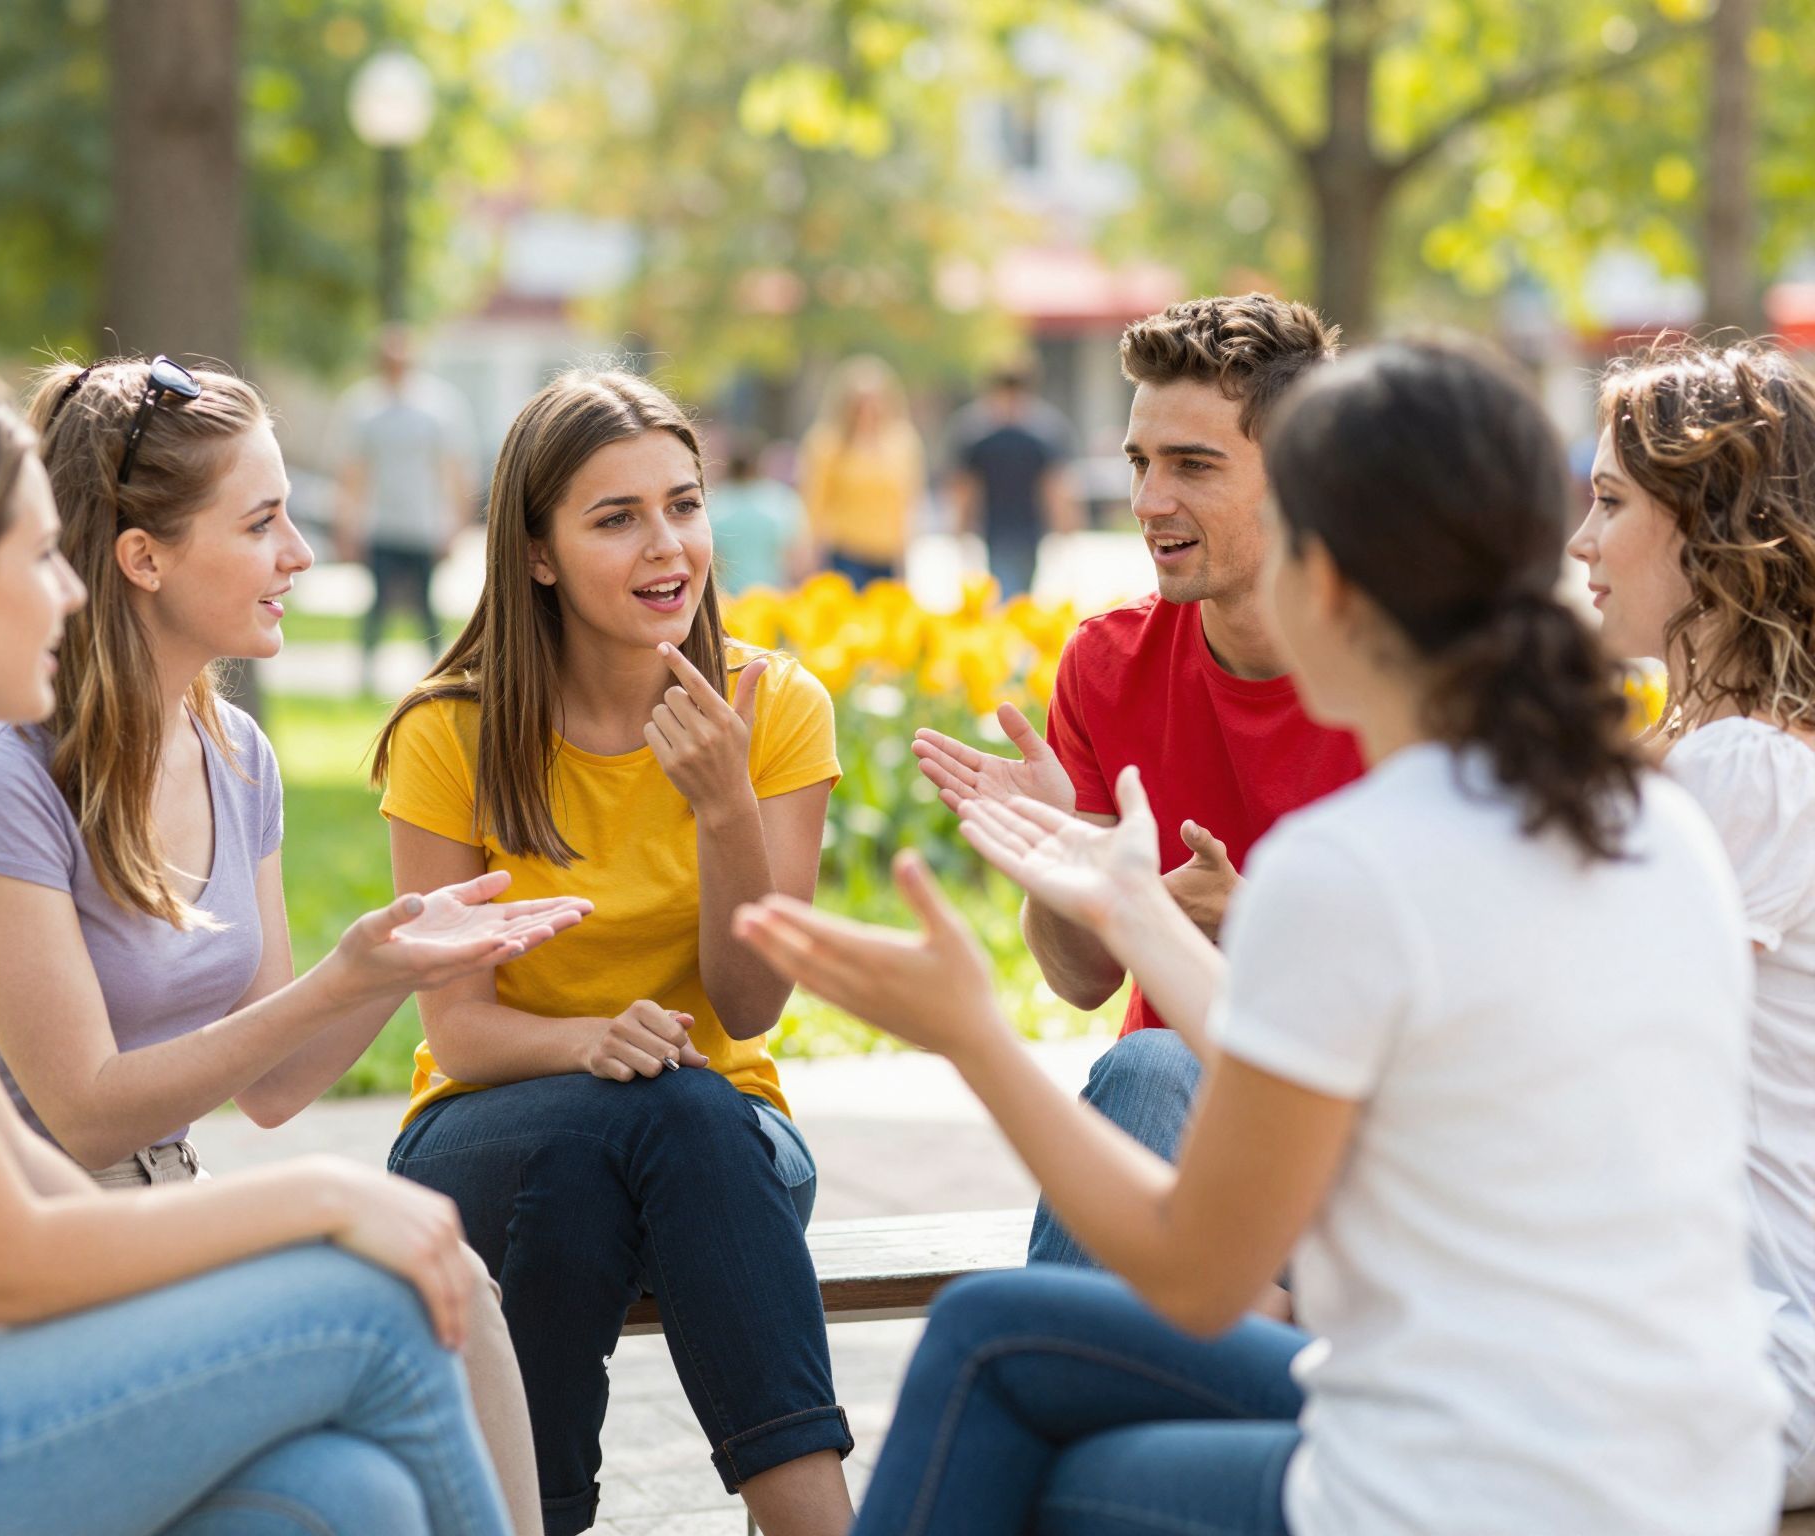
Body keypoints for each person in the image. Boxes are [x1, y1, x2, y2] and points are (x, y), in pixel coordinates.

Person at [739, 338, 1786, 1536]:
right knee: (998, 1345)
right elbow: (1321, 1049)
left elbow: (1194, 1272)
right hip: (1674, 1461)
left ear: (1323, 579)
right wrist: (1125, 901)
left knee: (1004, 1397)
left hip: (1473, 1488)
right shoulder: (1642, 813)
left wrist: (970, 1034)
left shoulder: (1357, 862)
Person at [0, 374, 515, 1536]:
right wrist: (319, 1198)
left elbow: (24, 1161)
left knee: (346, 1498)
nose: (71, 585)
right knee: (379, 1307)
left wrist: (376, 982)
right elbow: (5, 1267)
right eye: (39, 556)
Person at [370, 370, 854, 1536]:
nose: (667, 546)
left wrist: (727, 808)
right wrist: (594, 1041)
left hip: (721, 1136)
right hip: (486, 1128)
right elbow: (460, 1031)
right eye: (616, 517)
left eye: (683, 506)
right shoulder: (452, 732)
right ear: (535, 554)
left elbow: (746, 1008)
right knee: (636, 1126)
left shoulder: (773, 709)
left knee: (649, 1139)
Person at [912, 294, 1362, 1268]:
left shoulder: (1400, 678)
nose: (1148, 499)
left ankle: (1070, 1381)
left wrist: (1252, 922)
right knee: (1151, 1062)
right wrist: (1058, 862)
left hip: (1367, 1135)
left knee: (1152, 1063)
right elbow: (1080, 982)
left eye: (1191, 466)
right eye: (1137, 462)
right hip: (1176, 1127)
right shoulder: (1105, 664)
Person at [1570, 339, 1815, 1509]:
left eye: (1609, 502)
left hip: (1753, 1358)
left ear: (1712, 530)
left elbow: (1567, 1059)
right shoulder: (1723, 759)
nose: (1578, 545)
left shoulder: (1747, 768)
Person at [335, 324, 477, 689]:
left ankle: (438, 674)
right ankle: (365, 677)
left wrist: (457, 525)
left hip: (424, 525)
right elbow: (353, 473)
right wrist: (347, 526)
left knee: (427, 608)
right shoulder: (363, 408)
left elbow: (454, 470)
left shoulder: (438, 407)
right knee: (377, 604)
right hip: (381, 524)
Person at [942, 362, 1081, 598]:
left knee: (1018, 593)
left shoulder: (982, 432)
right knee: (1010, 593)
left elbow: (1054, 485)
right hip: (1000, 531)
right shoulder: (1039, 431)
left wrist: (1064, 525)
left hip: (1025, 530)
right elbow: (964, 486)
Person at [798, 355, 923, 589]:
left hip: (886, 552)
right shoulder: (827, 442)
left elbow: (908, 502)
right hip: (846, 551)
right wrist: (809, 550)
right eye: (860, 402)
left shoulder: (902, 443)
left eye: (874, 400)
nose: (868, 409)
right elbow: (815, 501)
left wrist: (905, 552)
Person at [710, 428, 808, 594]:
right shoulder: (780, 500)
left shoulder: (714, 503)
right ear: (758, 465)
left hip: (729, 597)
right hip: (772, 594)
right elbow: (798, 558)